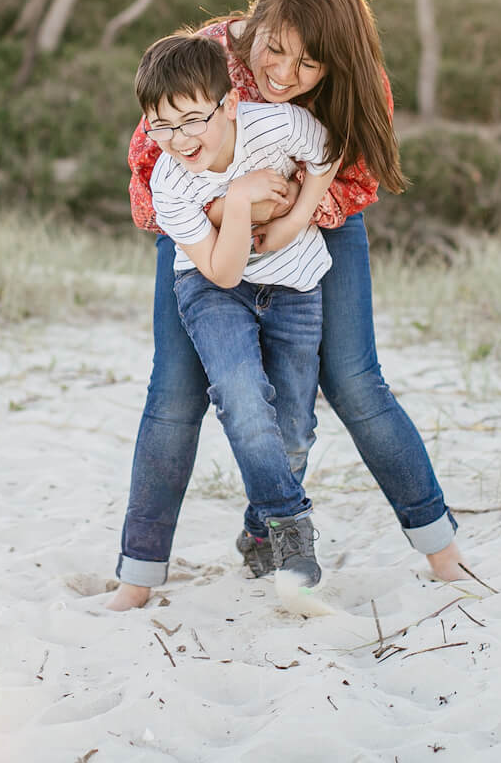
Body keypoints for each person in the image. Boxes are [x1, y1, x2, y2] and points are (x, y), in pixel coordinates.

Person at [107, 0, 467, 613]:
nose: (284, 74)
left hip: (319, 224)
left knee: (353, 382)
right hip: (204, 230)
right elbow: (146, 176)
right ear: (259, 19)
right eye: (275, 50)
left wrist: (297, 214)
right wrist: (232, 211)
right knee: (177, 390)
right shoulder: (205, 59)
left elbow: (356, 176)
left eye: (308, 64)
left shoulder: (359, 80)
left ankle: (440, 550)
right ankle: (138, 574)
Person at [131, 31, 343, 600]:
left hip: (295, 282)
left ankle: (257, 535)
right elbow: (221, 273)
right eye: (161, 126)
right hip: (212, 289)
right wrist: (243, 199)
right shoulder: (170, 181)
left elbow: (326, 153)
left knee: (294, 430)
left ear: (228, 104)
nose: (179, 139)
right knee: (242, 397)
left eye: (193, 119)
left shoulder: (275, 125)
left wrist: (296, 218)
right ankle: (289, 525)